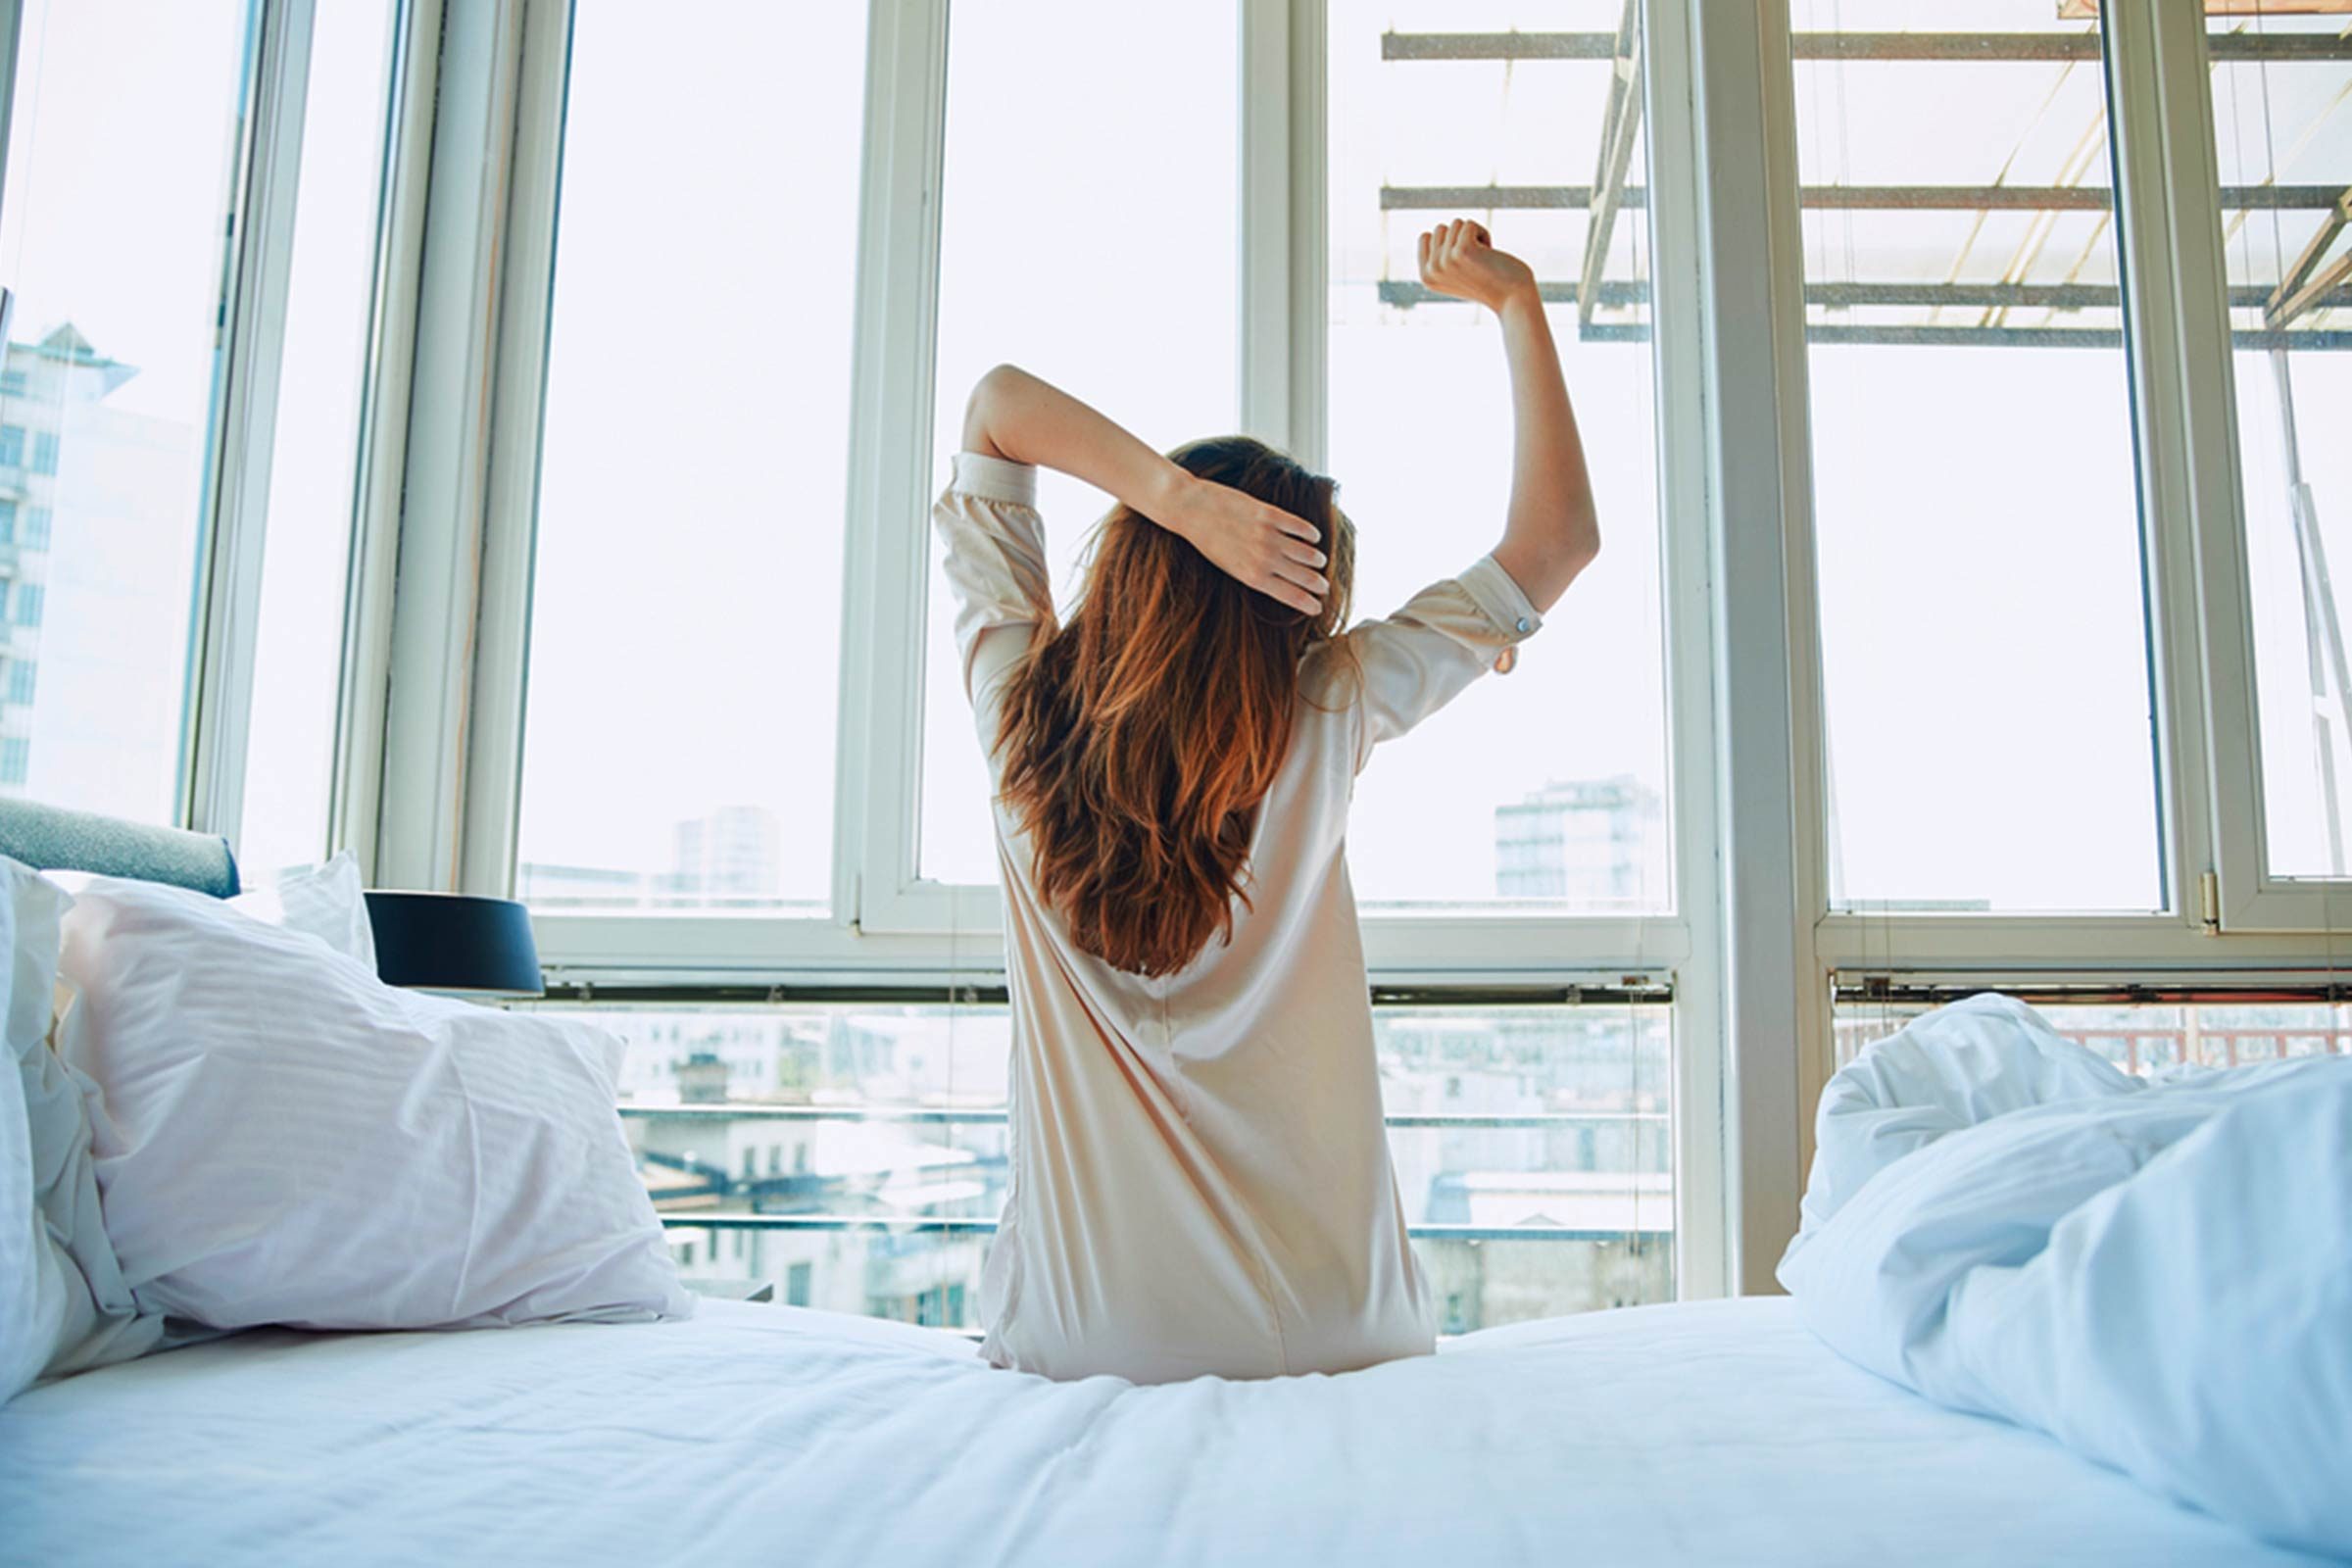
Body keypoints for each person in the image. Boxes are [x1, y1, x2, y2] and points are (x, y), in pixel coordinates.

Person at [934, 220, 1599, 1383]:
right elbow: (1557, 542)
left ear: (1139, 563)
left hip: (1095, 1339)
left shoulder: (1018, 719)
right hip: (1339, 1330)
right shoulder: (1330, 705)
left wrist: (1172, 497)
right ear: (1301, 621)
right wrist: (1514, 302)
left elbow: (994, 404)